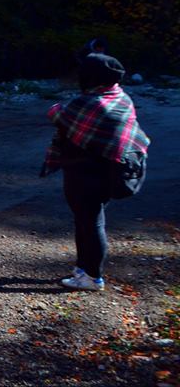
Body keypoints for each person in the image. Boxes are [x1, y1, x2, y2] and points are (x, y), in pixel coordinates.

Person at [41, 53, 149, 291]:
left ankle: (92, 276)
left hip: (85, 173)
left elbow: (56, 112)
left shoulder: (89, 103)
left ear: (91, 76)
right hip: (107, 171)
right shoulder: (121, 97)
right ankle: (83, 268)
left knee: (90, 223)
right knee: (88, 221)